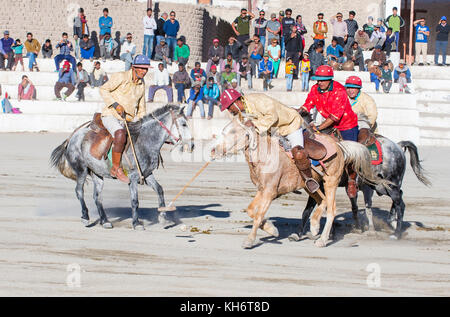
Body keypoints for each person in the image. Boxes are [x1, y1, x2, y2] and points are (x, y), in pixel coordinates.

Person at [219, 88, 319, 193]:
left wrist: (254, 124)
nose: (229, 111)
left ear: (236, 102)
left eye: (229, 107)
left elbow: (273, 116)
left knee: (298, 153)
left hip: (290, 125)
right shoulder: (241, 111)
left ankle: (309, 179)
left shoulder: (258, 100)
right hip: (273, 130)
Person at [300, 65, 359, 197]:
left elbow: (335, 117)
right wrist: (297, 112)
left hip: (346, 125)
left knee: (351, 154)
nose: (319, 82)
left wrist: (319, 128)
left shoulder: (340, 91)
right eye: (318, 80)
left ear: (330, 80)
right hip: (328, 124)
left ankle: (351, 180)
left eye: (323, 80)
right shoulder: (315, 88)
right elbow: (308, 104)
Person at [99, 55, 151, 183]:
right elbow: (103, 89)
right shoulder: (120, 77)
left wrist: (143, 122)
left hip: (128, 119)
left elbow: (141, 107)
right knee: (120, 134)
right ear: (134, 67)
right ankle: (116, 168)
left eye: (146, 69)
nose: (144, 71)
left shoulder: (141, 84)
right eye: (142, 68)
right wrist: (115, 105)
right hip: (111, 115)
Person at [344, 76, 378, 145]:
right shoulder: (343, 98)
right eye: (348, 88)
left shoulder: (367, 100)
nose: (350, 90)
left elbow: (372, 116)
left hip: (362, 126)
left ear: (358, 89)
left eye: (353, 88)